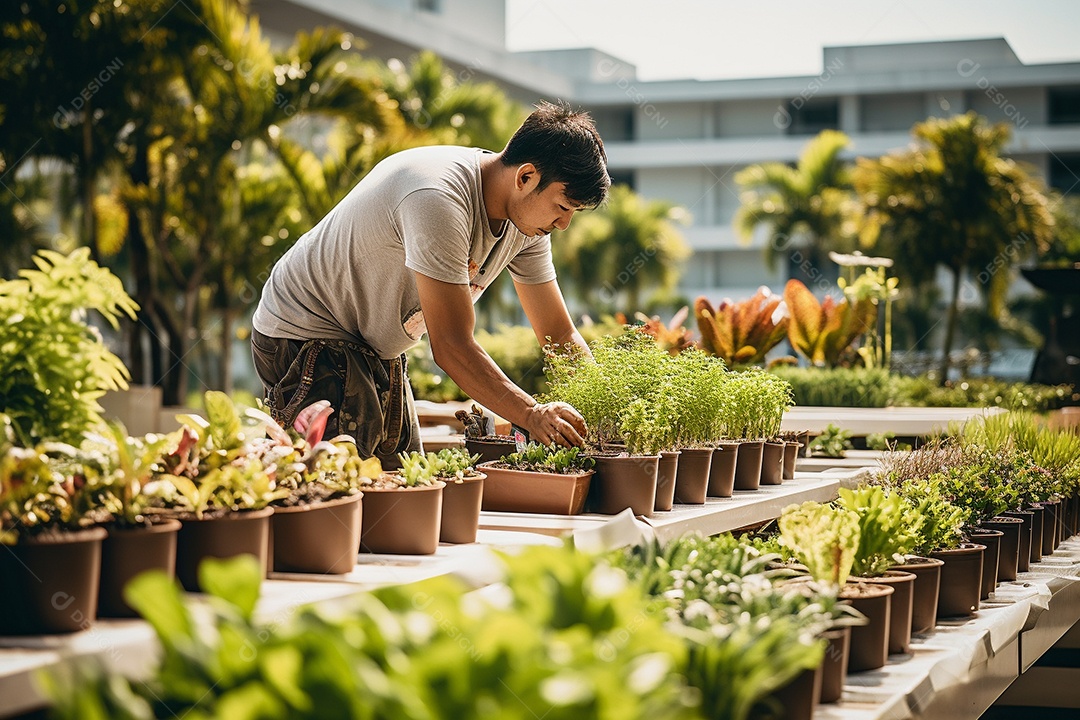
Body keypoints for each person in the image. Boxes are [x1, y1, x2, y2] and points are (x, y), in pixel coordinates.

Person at [251, 100, 610, 464]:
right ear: (526, 177)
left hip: (379, 348)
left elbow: (559, 336)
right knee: (339, 490)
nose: (564, 225)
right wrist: (532, 416)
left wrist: (607, 415)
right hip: (307, 332)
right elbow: (452, 345)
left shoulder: (528, 227)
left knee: (408, 487)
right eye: (563, 207)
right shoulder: (438, 198)